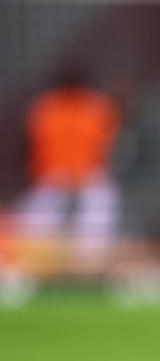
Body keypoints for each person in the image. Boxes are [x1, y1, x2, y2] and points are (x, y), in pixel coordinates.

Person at [18, 70, 121, 271]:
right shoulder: (93, 107)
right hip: (61, 173)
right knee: (93, 212)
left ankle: (82, 263)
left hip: (69, 173)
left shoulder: (47, 107)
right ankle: (78, 263)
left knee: (93, 211)